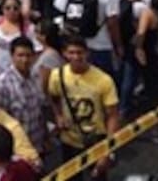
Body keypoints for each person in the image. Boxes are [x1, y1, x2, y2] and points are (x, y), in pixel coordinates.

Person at [48, 35, 119, 181]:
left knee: (98, 176)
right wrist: (58, 116)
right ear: (65, 54)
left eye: (80, 52)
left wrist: (107, 150)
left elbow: (112, 115)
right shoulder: (57, 76)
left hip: (96, 140)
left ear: (87, 53)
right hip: (69, 140)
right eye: (71, 52)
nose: (76, 57)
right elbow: (53, 97)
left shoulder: (103, 80)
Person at [0, 36, 46, 153]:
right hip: (17, 150)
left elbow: (40, 111)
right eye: (20, 55)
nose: (25, 60)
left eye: (28, 55)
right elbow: (0, 120)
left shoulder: (36, 77)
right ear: (12, 56)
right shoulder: (2, 84)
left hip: (37, 145)